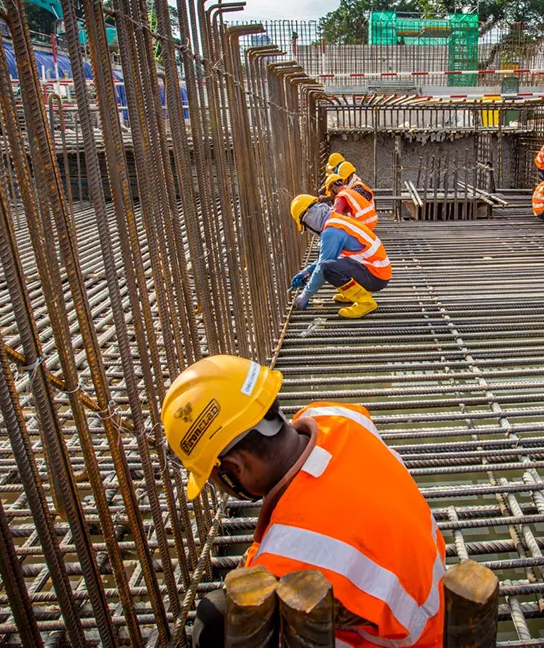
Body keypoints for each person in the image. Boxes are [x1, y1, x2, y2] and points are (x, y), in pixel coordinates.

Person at [162, 355, 446, 648]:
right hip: (435, 593)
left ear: (234, 468)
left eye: (214, 477)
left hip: (411, 640)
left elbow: (286, 560)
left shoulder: (287, 558)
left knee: (218, 617)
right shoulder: (336, 415)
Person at [289, 194, 390, 318]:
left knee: (328, 268)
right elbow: (325, 256)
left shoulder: (330, 232)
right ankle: (354, 292)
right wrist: (305, 272)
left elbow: (322, 267)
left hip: (376, 276)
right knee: (330, 263)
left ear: (308, 219)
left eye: (305, 227)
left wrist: (305, 295)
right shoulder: (334, 220)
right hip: (376, 270)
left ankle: (365, 302)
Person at [333, 161, 378, 229]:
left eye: (344, 179)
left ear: (350, 176)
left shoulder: (357, 188)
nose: (343, 181)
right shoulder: (354, 185)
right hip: (367, 220)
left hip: (365, 222)